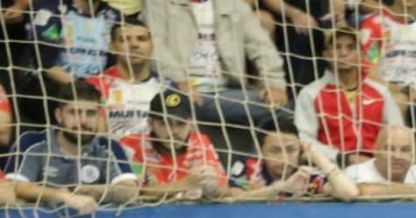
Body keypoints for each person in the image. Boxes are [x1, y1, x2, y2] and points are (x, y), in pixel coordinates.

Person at [141, 0, 289, 128]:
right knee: (171, 107)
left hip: (226, 93)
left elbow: (261, 46)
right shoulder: (158, 3)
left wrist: (274, 83)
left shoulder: (234, 5)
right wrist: (179, 80)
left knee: (284, 108)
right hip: (175, 93)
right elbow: (155, 45)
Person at [4, 80, 138, 213]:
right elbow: (15, 186)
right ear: (59, 115)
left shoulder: (109, 147)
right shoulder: (32, 142)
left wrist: (83, 192)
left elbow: (128, 189)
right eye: (74, 112)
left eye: (91, 113)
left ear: (99, 116)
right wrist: (63, 196)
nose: (83, 121)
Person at [296, 26, 405, 166]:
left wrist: (380, 161)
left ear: (361, 54)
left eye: (351, 47)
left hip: (377, 166)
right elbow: (305, 140)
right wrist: (343, 158)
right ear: (325, 54)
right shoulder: (310, 93)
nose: (343, 53)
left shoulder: (380, 92)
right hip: (332, 168)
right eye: (336, 47)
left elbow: (396, 133)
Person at [120, 90, 229, 200]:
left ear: (191, 124)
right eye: (164, 123)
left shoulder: (200, 143)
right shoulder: (131, 145)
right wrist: (186, 183)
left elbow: (223, 188)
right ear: (151, 124)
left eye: (181, 123)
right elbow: (132, 192)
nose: (173, 131)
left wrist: (212, 188)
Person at [230, 117, 360, 200]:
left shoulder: (308, 176)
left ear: (300, 149)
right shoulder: (246, 167)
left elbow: (350, 193)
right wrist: (281, 187)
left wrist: (319, 157)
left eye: (291, 150)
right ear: (260, 151)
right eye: (275, 151)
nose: (284, 158)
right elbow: (233, 200)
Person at [88, 17, 167, 138]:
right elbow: (94, 136)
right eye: (124, 39)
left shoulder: (166, 87)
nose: (134, 44)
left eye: (141, 39)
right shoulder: (95, 85)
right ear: (111, 46)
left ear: (152, 46)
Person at [343, 124, 416, 196]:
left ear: (414, 154)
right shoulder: (356, 172)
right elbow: (360, 190)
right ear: (376, 150)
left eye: (405, 150)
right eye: (390, 149)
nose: (397, 156)